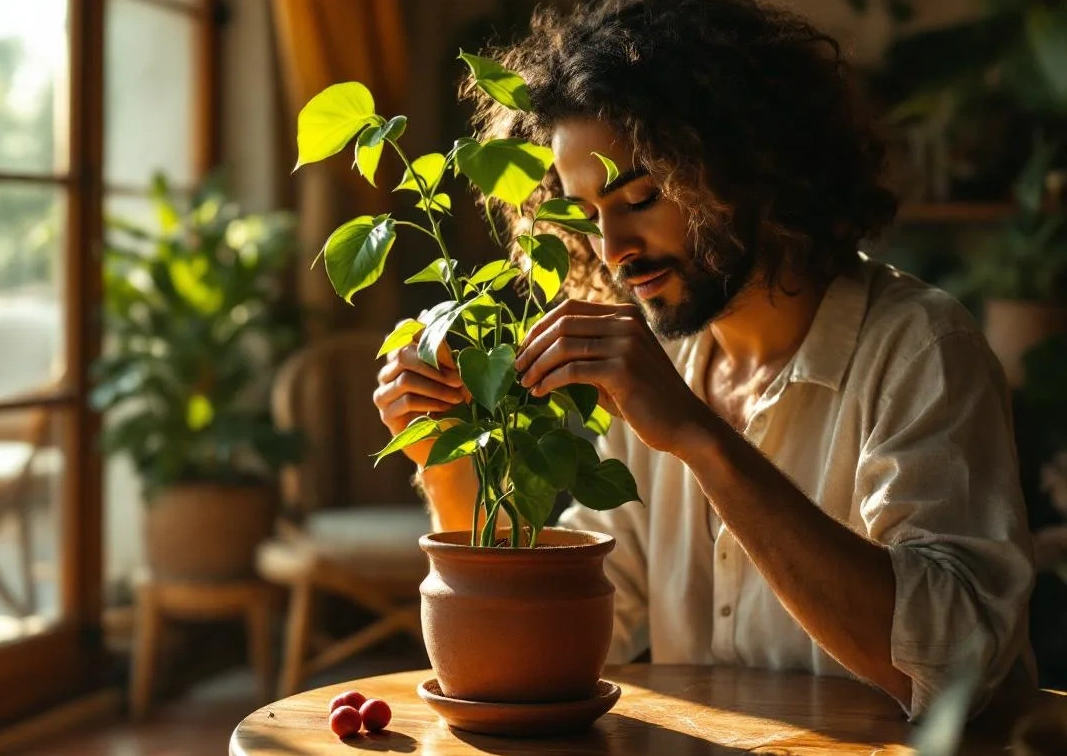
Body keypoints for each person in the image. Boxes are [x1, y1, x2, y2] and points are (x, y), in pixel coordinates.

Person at [371, 0, 1036, 720]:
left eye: (642, 197)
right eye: (584, 214)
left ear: (752, 163)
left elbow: (958, 664)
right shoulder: (662, 363)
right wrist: (448, 464)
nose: (612, 249)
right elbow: (546, 638)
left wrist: (699, 437)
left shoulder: (920, 349)